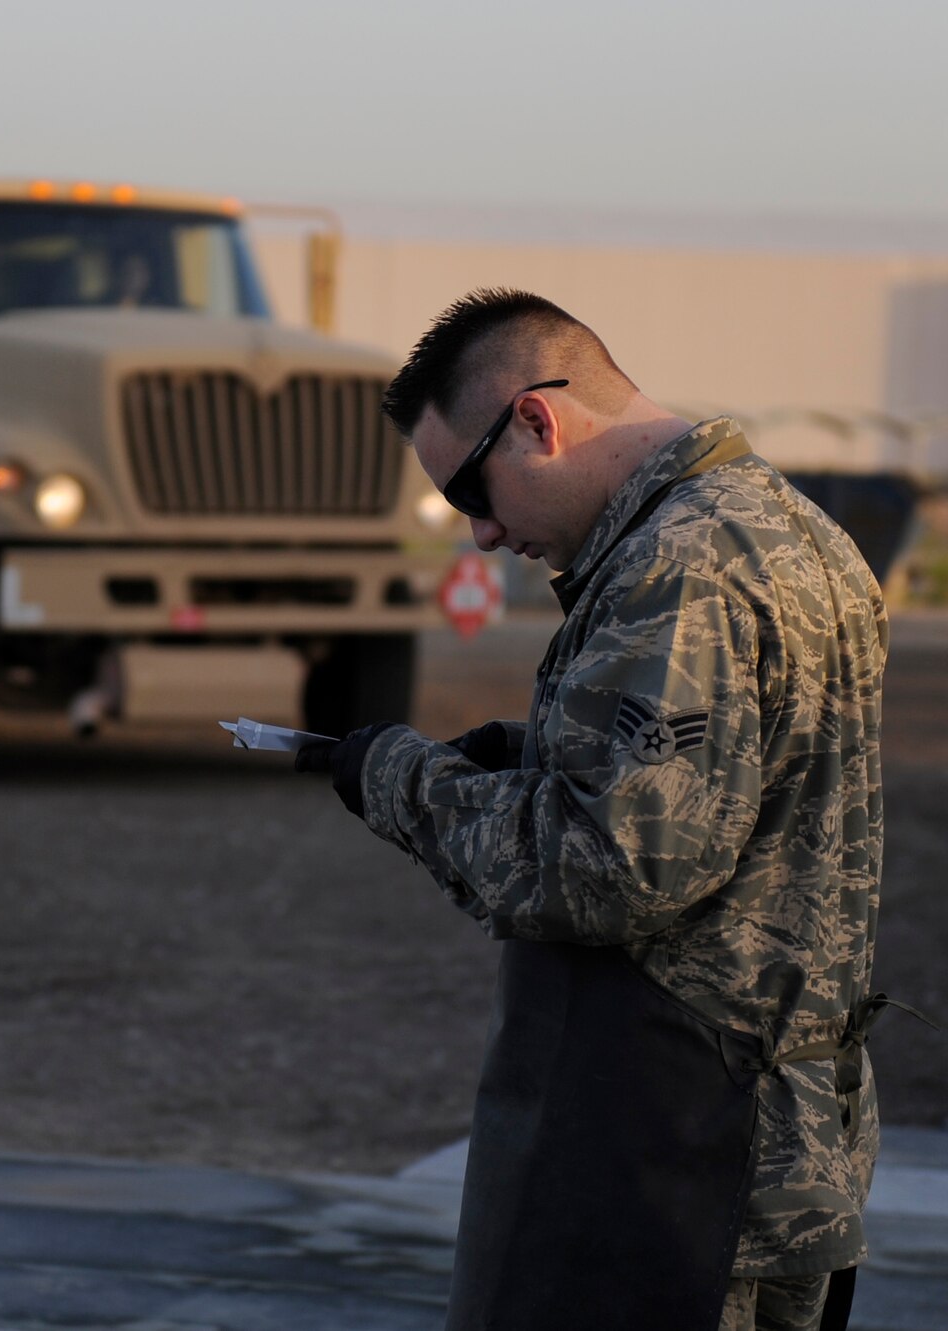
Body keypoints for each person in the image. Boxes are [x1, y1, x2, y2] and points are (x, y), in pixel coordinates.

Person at [296, 289, 890, 1331]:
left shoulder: (675, 568)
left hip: (671, 1166)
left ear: (535, 419)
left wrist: (397, 779)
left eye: (471, 492)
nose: (480, 534)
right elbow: (733, 797)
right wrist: (524, 760)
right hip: (774, 1157)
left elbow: (605, 868)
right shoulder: (789, 528)